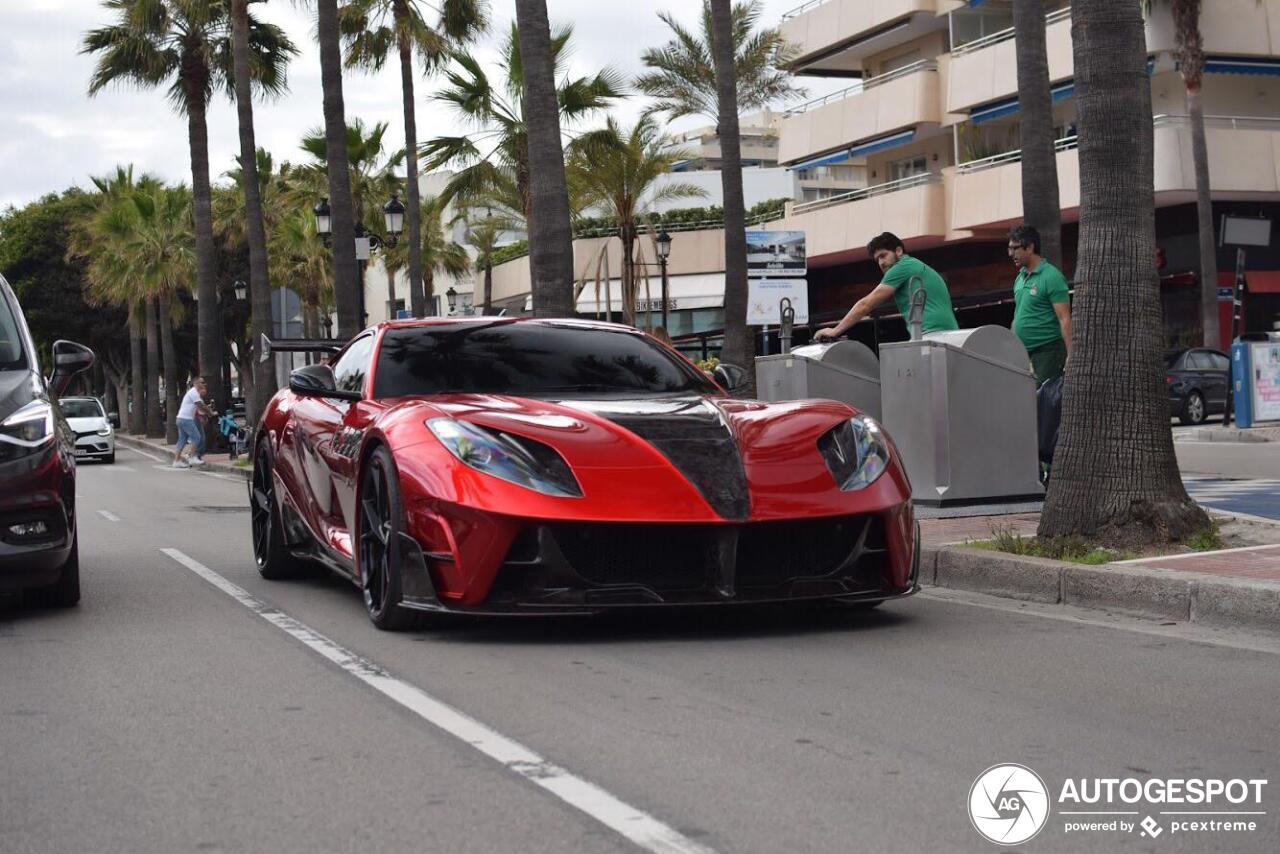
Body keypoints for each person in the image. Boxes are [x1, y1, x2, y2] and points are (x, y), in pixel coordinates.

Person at [813, 232, 959, 341]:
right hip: (948, 334)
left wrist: (835, 331)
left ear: (899, 251)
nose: (881, 263)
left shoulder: (902, 266)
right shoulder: (915, 265)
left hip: (932, 335)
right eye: (877, 260)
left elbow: (866, 304)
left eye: (883, 255)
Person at [1007, 225, 1071, 386]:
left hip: (1048, 352)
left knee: (1043, 401)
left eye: (1015, 248)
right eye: (1009, 248)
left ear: (1029, 248)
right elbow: (1018, 315)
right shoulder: (1020, 278)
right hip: (1023, 353)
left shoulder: (1051, 276)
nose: (1011, 254)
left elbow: (1065, 319)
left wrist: (1072, 354)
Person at [173, 376, 214, 469]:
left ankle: (176, 461)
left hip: (180, 418)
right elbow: (200, 405)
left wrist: (208, 411)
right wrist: (210, 412)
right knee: (197, 437)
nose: (204, 384)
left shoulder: (194, 393)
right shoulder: (193, 392)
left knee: (182, 440)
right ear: (196, 384)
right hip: (186, 419)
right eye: (202, 382)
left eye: (204, 383)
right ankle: (192, 457)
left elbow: (200, 408)